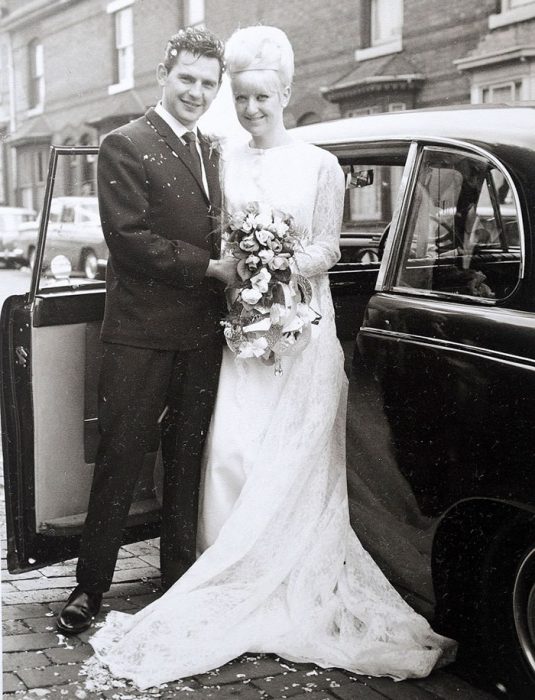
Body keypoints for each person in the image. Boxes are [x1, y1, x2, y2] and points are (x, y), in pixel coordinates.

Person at [84, 26, 456, 688]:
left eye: (261, 97)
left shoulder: (318, 163)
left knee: (287, 464)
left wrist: (277, 264)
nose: (250, 109)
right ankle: (205, 567)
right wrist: (240, 270)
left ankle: (270, 574)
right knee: (227, 455)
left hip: (297, 332)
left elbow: (329, 249)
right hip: (239, 334)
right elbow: (198, 237)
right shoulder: (223, 158)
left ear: (284, 93)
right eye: (242, 97)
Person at [56, 26, 238, 635]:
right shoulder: (124, 143)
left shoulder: (213, 148)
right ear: (164, 74)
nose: (196, 91)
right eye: (187, 78)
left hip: (201, 333)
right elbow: (129, 240)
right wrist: (212, 267)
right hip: (139, 332)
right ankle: (91, 586)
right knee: (123, 455)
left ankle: (178, 575)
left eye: (208, 83)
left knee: (188, 455)